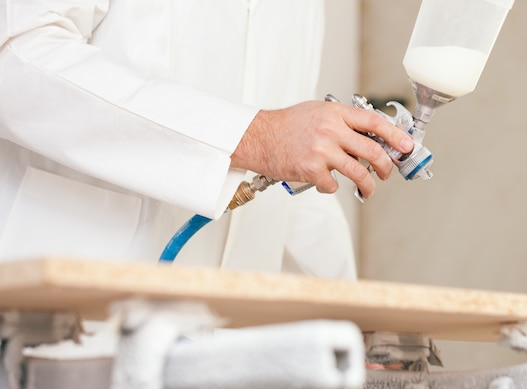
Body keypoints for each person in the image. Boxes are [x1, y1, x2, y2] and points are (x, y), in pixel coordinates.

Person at [0, 0, 413, 280]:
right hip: (75, 319)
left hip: (226, 352)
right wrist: (256, 136)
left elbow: (292, 161)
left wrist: (347, 316)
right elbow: (15, 57)